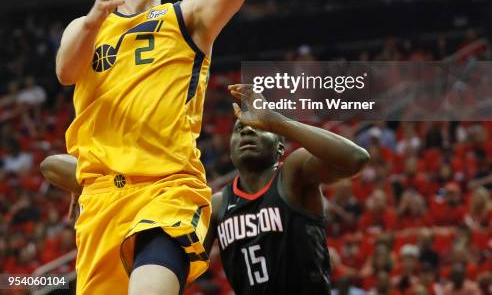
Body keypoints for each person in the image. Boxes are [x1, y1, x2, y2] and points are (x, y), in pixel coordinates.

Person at [53, 0, 286, 295]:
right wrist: (97, 14)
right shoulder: (86, 28)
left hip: (168, 188)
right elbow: (66, 71)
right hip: (102, 200)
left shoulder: (186, 17)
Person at [43, 82, 369, 294]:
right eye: (240, 130)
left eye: (259, 129)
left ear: (280, 147)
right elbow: (51, 166)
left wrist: (277, 120)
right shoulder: (215, 206)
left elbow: (355, 158)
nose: (248, 133)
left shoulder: (293, 174)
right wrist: (91, 181)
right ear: (229, 147)